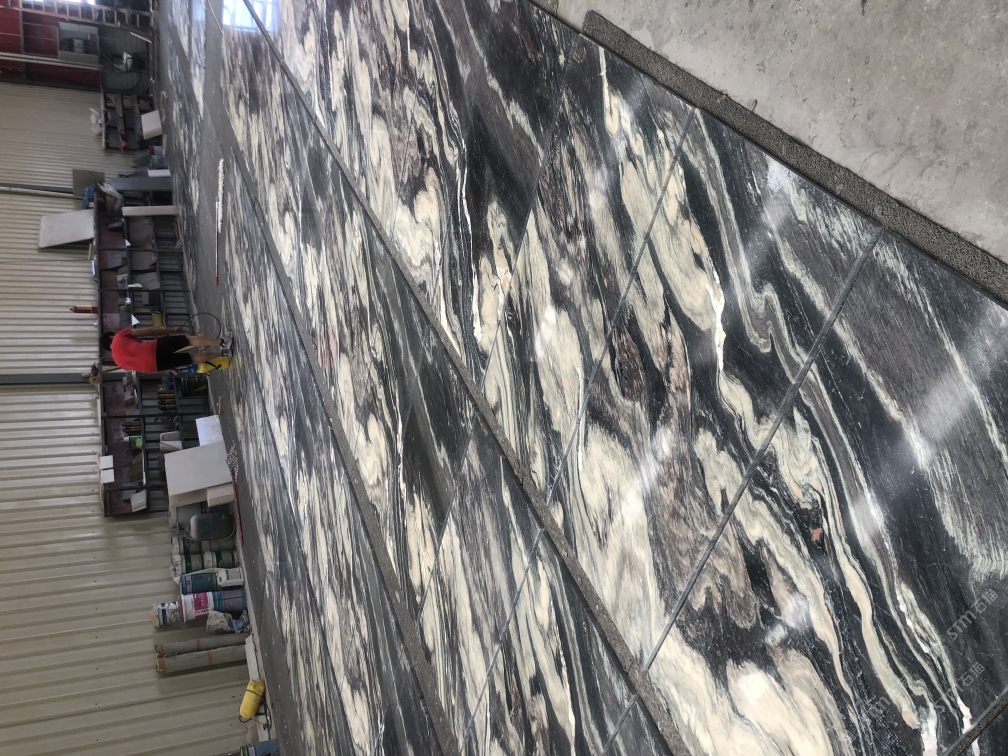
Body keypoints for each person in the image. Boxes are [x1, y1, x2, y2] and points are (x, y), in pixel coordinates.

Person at [100, 326, 231, 374]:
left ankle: (223, 353)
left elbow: (142, 369)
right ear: (111, 336)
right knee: (188, 340)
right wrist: (172, 330)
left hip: (154, 366)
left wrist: (169, 369)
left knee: (192, 359)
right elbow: (150, 331)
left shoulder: (118, 362)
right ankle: (222, 342)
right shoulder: (119, 336)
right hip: (153, 349)